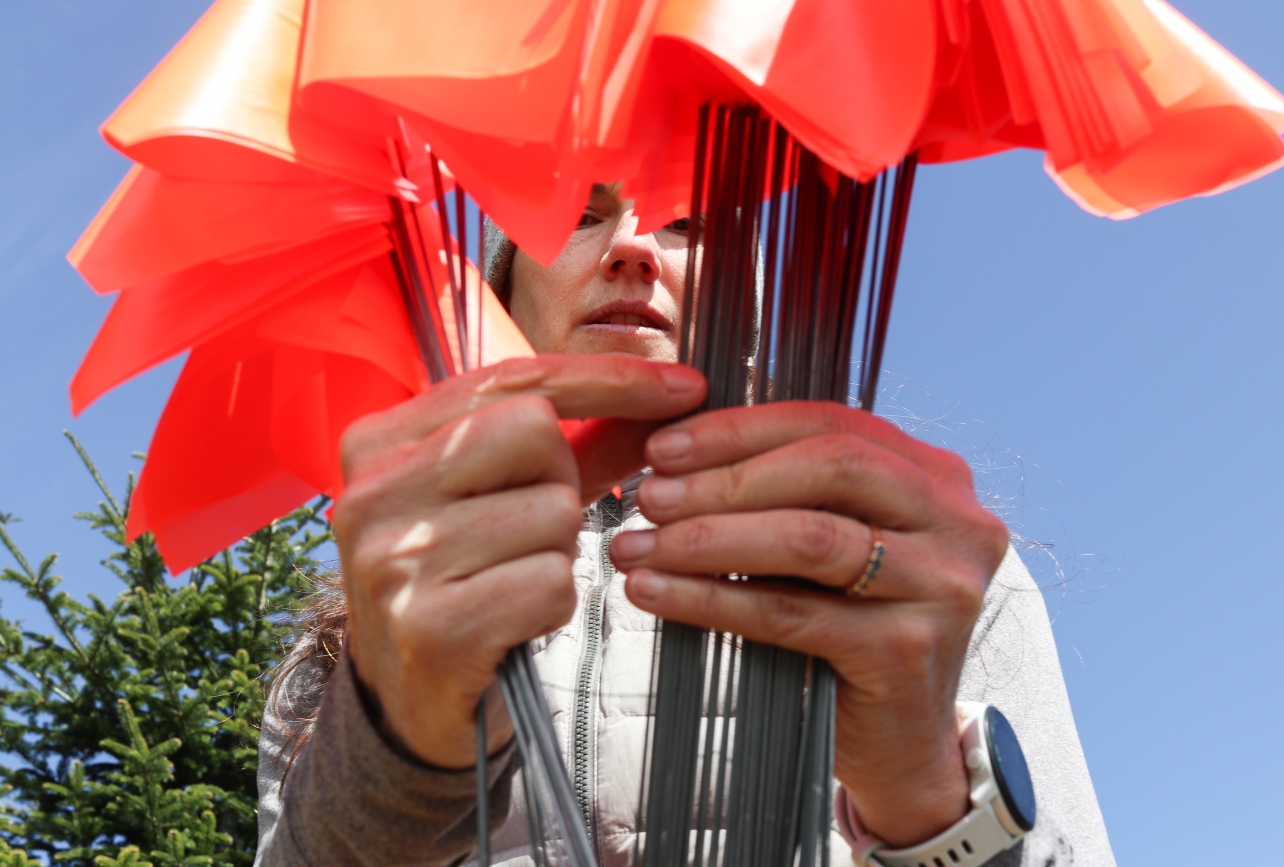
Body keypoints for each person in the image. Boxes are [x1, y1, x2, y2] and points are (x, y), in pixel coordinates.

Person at [254, 184, 1115, 867]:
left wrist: (928, 796)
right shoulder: (376, 609)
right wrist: (392, 753)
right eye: (578, 213)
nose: (631, 245)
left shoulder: (916, 568)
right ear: (502, 291)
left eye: (686, 221)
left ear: (743, 302)